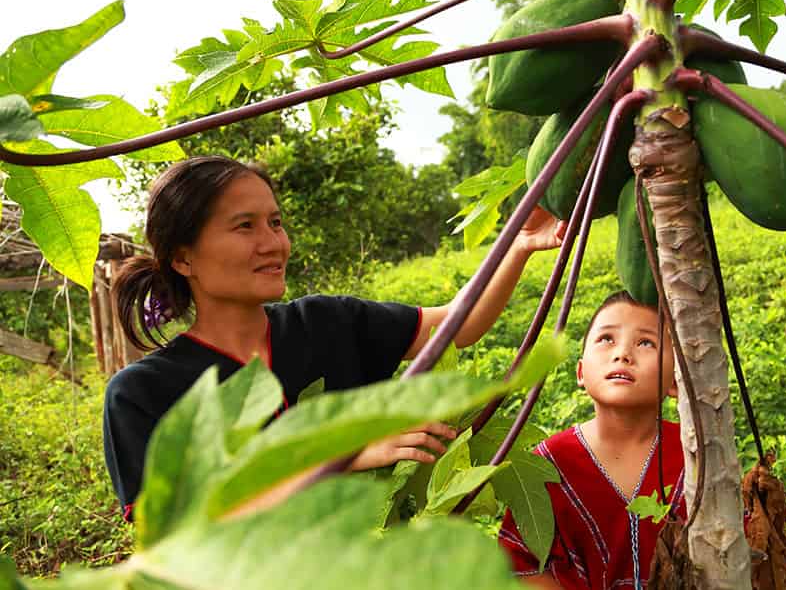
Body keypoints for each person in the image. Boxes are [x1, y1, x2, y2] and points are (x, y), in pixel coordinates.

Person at [103, 155, 565, 522]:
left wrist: (517, 242)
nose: (273, 243)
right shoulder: (142, 392)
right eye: (245, 226)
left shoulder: (324, 324)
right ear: (183, 259)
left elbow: (455, 326)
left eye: (276, 223)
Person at [498, 290, 685, 589]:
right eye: (607, 339)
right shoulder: (549, 462)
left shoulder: (696, 455)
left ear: (675, 380)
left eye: (646, 342)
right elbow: (521, 568)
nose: (623, 353)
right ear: (581, 372)